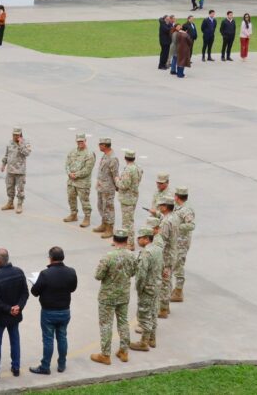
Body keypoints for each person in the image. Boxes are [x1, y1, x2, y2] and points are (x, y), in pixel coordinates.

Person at [90, 230, 137, 366]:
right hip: (123, 294)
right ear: (127, 240)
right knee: (123, 322)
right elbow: (134, 272)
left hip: (107, 296)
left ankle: (105, 354)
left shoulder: (108, 257)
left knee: (106, 324)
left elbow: (98, 275)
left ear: (114, 240)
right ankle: (124, 351)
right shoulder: (131, 256)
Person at [28, 246, 77, 375]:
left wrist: (36, 283)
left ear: (50, 258)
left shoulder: (45, 274)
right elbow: (73, 288)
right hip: (65, 311)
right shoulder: (71, 272)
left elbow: (34, 292)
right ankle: (62, 364)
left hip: (49, 312)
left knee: (48, 339)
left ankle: (45, 366)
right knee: (62, 337)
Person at [0, 248, 28, 380]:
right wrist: (18, 307)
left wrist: (9, 309)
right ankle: (16, 368)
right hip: (15, 316)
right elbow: (25, 293)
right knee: (15, 341)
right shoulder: (19, 272)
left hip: (1, 317)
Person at [128, 227, 162, 351]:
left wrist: (139, 287)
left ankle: (144, 342)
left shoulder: (146, 253)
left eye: (140, 238)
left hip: (147, 287)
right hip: (157, 285)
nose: (138, 240)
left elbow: (141, 274)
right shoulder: (157, 249)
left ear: (147, 239)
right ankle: (152, 338)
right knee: (153, 311)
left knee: (144, 314)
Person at [170, 186, 198, 304]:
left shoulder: (186, 210)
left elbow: (191, 225)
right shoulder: (179, 207)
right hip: (177, 240)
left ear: (177, 196)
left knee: (179, 265)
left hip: (182, 242)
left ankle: (178, 291)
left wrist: (177, 227)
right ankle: (176, 289)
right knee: (175, 264)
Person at [64, 133, 95, 227]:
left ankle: (87, 217)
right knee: (71, 198)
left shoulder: (89, 154)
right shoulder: (72, 152)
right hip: (71, 181)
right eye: (78, 141)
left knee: (84, 200)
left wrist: (76, 175)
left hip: (83, 183)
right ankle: (73, 214)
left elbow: (87, 169)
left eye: (82, 141)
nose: (80, 142)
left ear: (85, 141)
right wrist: (69, 173)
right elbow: (67, 164)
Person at [156, 199, 179, 319]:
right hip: (172, 253)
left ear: (165, 207)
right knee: (168, 280)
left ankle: (163, 309)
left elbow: (162, 241)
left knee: (164, 282)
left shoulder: (166, 222)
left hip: (165, 256)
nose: (159, 206)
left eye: (161, 204)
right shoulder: (174, 217)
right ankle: (166, 306)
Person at [0, 127, 32, 214]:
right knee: (9, 187)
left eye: (17, 135)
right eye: (14, 134)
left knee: (20, 189)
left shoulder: (25, 143)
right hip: (10, 170)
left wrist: (21, 144)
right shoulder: (9, 143)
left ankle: (19, 204)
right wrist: (3, 165)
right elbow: (6, 155)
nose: (15, 136)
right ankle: (10, 203)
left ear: (20, 134)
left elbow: (27, 153)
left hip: (20, 171)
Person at [114, 149, 143, 245]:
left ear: (125, 158)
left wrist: (117, 180)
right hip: (133, 196)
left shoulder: (128, 169)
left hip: (127, 199)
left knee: (127, 222)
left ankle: (129, 243)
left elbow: (124, 185)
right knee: (129, 220)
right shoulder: (138, 167)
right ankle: (127, 241)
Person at [93, 137, 119, 240]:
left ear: (105, 145)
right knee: (101, 205)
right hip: (101, 186)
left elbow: (115, 174)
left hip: (108, 188)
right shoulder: (105, 155)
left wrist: (117, 186)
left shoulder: (113, 158)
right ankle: (104, 224)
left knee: (108, 207)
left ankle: (110, 228)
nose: (99, 146)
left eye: (100, 144)